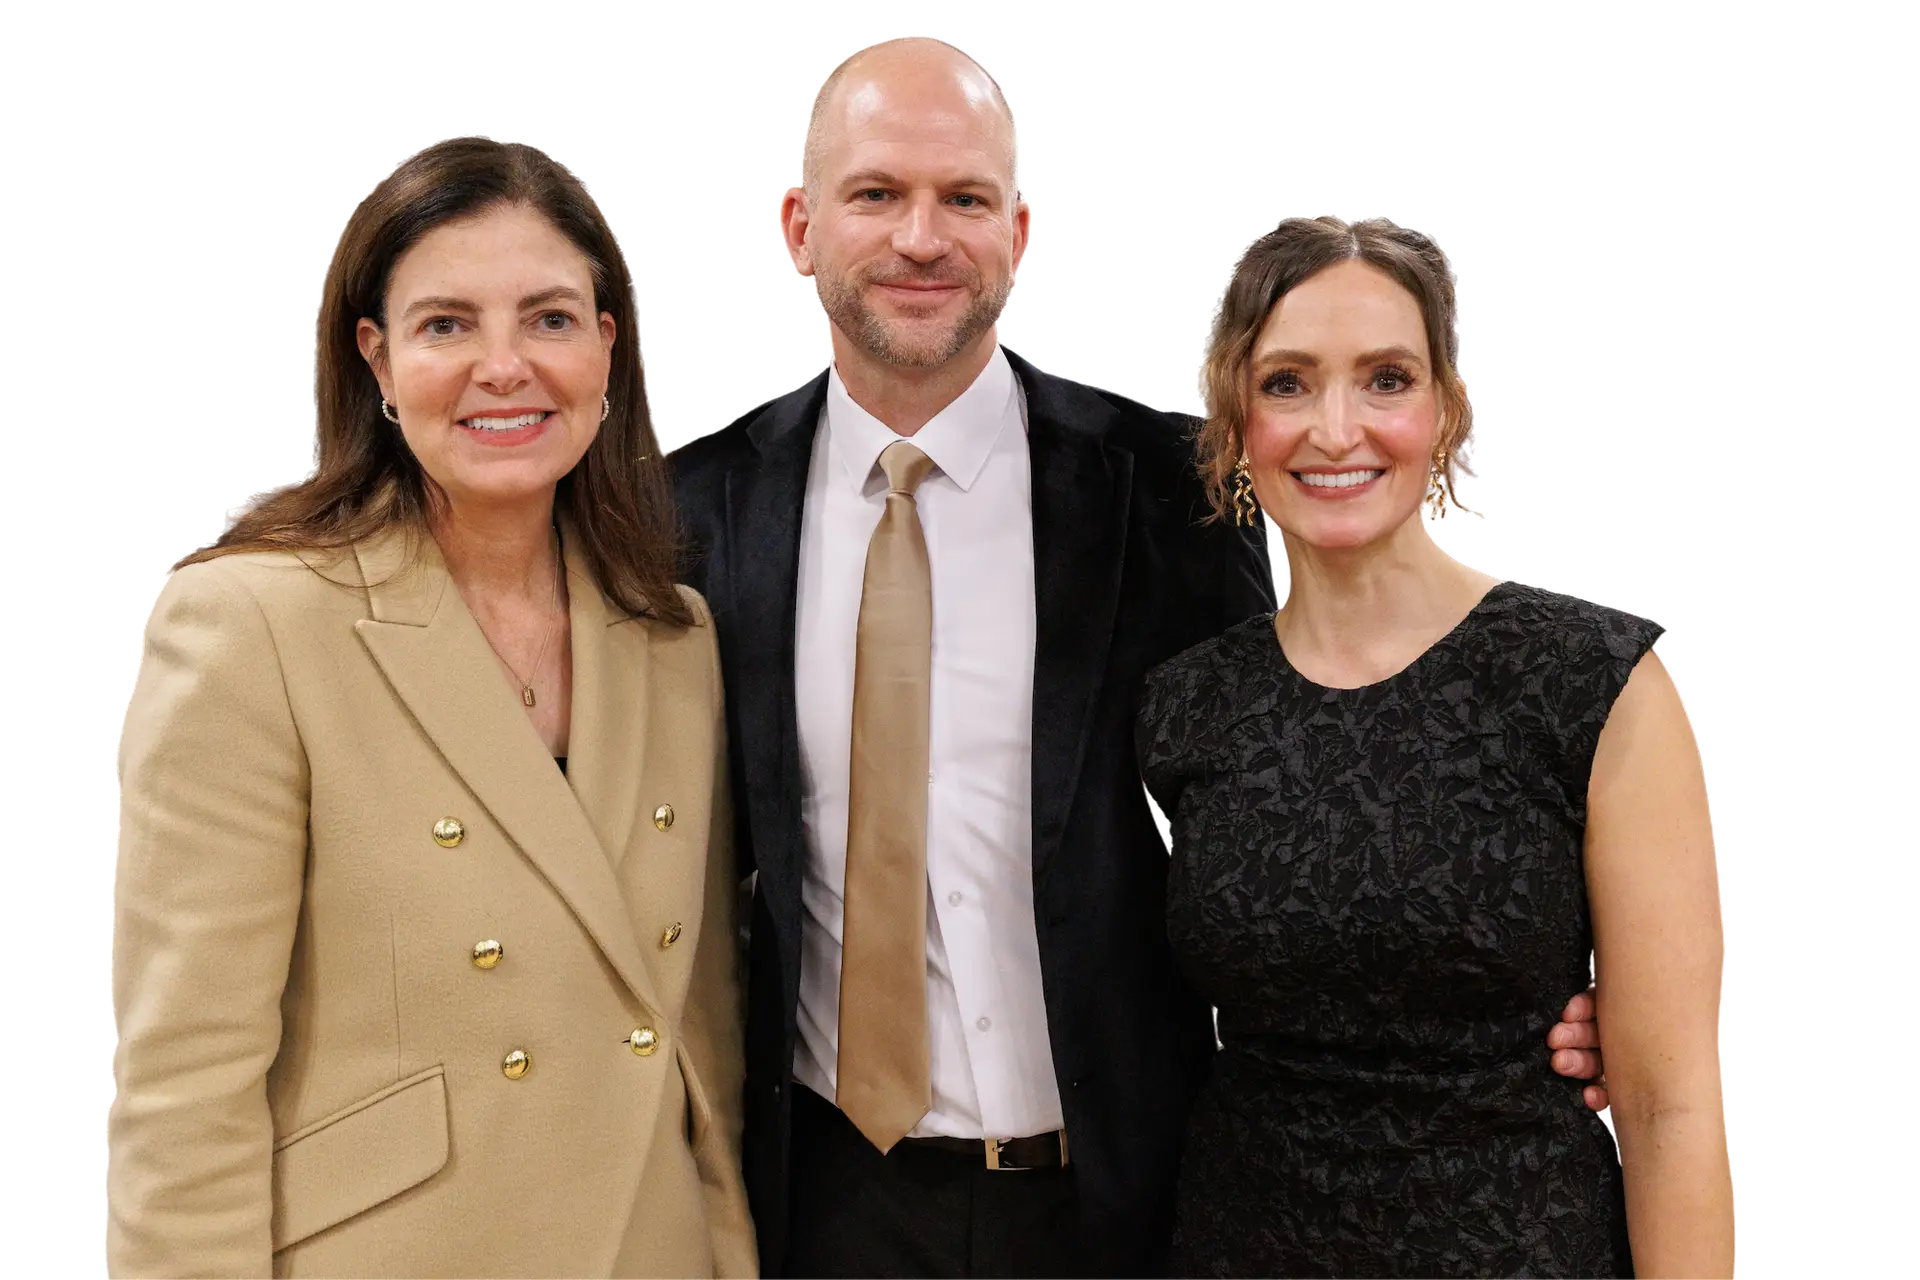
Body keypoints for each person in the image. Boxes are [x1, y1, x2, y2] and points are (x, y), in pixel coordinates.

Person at [671, 36, 1610, 1280]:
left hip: (1122, 1191)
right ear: (799, 225)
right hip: (817, 1195)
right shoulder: (689, 510)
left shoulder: (1181, 496)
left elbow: (1329, 740)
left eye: (965, 198)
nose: (920, 238)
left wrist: (1558, 962)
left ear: (1022, 232)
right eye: (876, 194)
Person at [107, 136, 755, 1278]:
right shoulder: (250, 623)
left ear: (607, 348)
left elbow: (699, 1033)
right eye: (447, 324)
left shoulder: (674, 635)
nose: (504, 366)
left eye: (550, 319)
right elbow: (185, 1084)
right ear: (377, 358)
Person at [1137, 214, 1734, 1276]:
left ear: (1449, 408)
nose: (1335, 427)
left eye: (1385, 377)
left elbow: (1669, 1103)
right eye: (1287, 382)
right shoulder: (1188, 703)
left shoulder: (1595, 683)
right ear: (1233, 412)